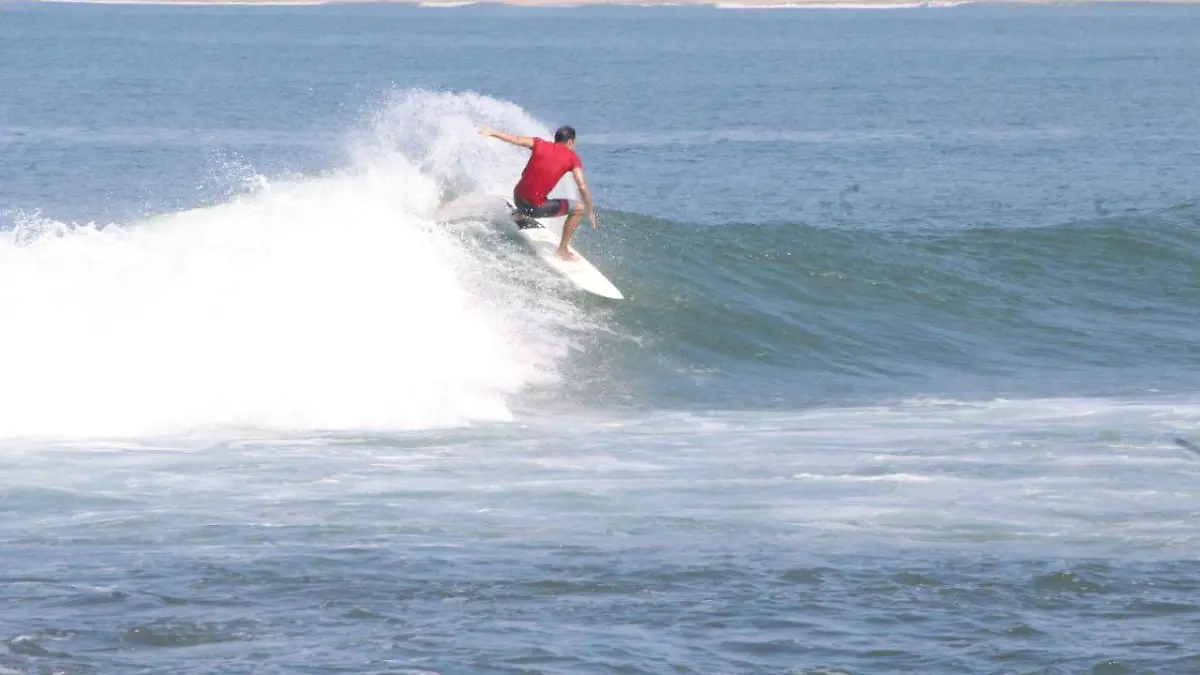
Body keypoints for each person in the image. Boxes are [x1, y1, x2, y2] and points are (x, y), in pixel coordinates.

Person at [480, 124, 598, 261]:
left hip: (517, 197)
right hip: (534, 208)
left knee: (537, 190)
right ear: (570, 142)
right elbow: (582, 187)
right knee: (578, 209)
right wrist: (589, 211)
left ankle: (519, 214)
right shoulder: (572, 158)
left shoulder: (539, 143)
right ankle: (562, 250)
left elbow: (516, 139)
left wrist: (492, 132)